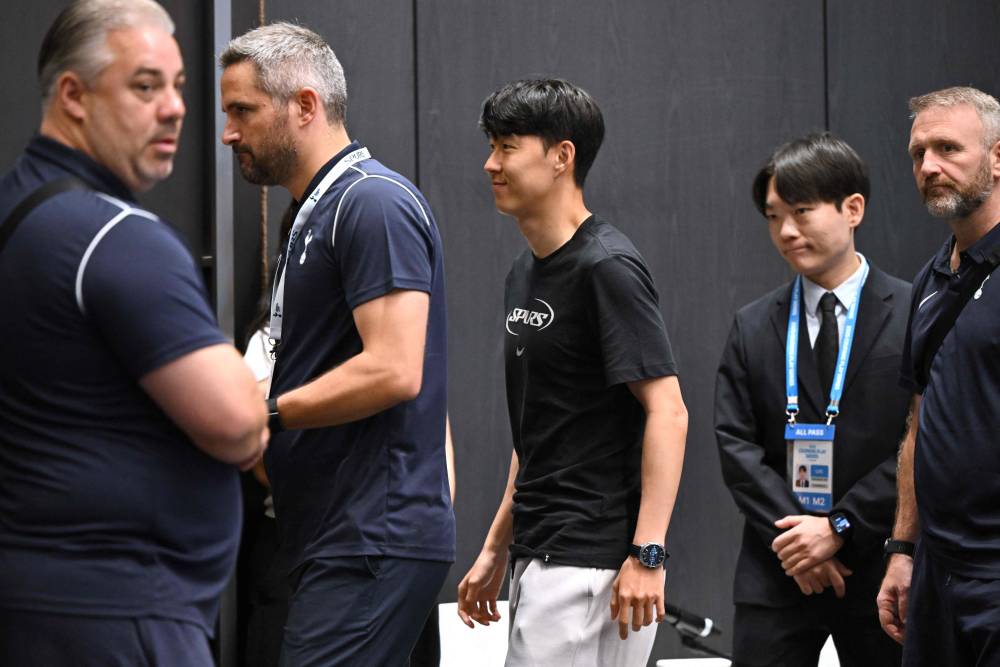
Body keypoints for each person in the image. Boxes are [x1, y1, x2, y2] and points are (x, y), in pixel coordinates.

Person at [0, 1, 268, 665]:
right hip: (121, 615)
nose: (176, 108)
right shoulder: (115, 239)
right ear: (73, 95)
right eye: (145, 86)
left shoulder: (15, 212)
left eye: (178, 86)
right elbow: (239, 423)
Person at [220, 22, 454, 666]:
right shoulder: (313, 214)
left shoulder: (371, 203)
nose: (228, 131)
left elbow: (396, 369)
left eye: (243, 110)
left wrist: (262, 414)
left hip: (369, 538)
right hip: (340, 534)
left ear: (304, 105)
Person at [457, 78, 688, 666]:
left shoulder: (607, 266)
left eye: (507, 146)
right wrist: (495, 548)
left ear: (563, 156)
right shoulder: (524, 271)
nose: (490, 163)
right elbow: (540, 430)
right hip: (544, 550)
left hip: (594, 564)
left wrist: (648, 554)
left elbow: (668, 410)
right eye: (491, 145)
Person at [716, 132, 910, 666]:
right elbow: (735, 445)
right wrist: (799, 543)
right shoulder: (753, 324)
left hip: (878, 567)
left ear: (853, 209)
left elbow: (920, 439)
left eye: (802, 211)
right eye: (774, 216)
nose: (786, 231)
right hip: (776, 570)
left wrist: (839, 528)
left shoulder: (915, 313)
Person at [877, 86, 1000, 666]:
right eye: (918, 152)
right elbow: (920, 416)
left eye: (949, 148)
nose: (929, 166)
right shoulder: (931, 278)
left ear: (998, 158)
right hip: (936, 570)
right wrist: (903, 547)